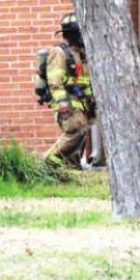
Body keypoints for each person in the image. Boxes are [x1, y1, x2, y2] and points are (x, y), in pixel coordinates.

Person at [43, 12, 96, 168]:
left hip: (81, 102)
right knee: (76, 129)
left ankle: (71, 170)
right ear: (73, 34)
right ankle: (47, 164)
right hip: (67, 101)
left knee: (81, 134)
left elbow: (84, 81)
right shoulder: (59, 53)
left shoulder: (80, 54)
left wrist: (91, 99)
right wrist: (63, 104)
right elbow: (55, 82)